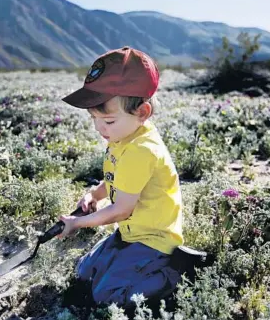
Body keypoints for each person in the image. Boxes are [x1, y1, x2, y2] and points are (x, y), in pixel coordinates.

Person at [57, 46, 184, 308]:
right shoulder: (122, 137)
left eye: (109, 121)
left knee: (107, 296)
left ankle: (172, 275)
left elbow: (121, 211)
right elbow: (117, 181)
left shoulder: (141, 150)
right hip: (131, 233)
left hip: (153, 239)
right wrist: (95, 194)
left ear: (142, 112)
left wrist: (77, 223)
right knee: (85, 273)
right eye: (94, 119)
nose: (99, 128)